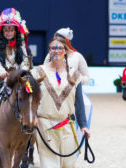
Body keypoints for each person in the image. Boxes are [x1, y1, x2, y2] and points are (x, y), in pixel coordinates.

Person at [31, 37, 90, 167]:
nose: (56, 51)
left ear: (65, 51)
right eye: (53, 48)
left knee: (68, 164)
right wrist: (33, 116)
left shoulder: (75, 74)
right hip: (45, 125)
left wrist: (84, 126)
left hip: (68, 125)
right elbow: (30, 98)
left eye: (60, 48)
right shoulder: (37, 73)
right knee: (49, 164)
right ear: (49, 51)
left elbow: (79, 102)